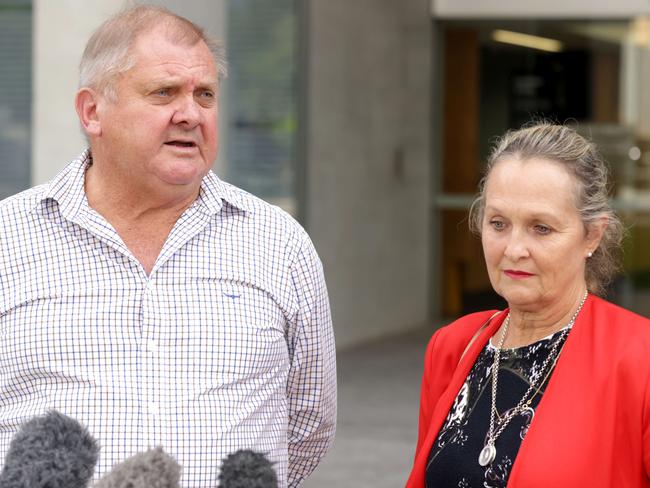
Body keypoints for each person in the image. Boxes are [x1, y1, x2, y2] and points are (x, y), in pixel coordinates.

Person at [0, 5, 336, 487]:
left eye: (205, 94)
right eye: (163, 93)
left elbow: (308, 425)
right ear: (93, 112)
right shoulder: (9, 237)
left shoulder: (278, 243)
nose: (191, 114)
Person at [406, 122, 650, 487]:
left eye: (541, 228)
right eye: (499, 223)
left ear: (593, 236)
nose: (514, 249)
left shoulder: (639, 358)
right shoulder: (453, 347)